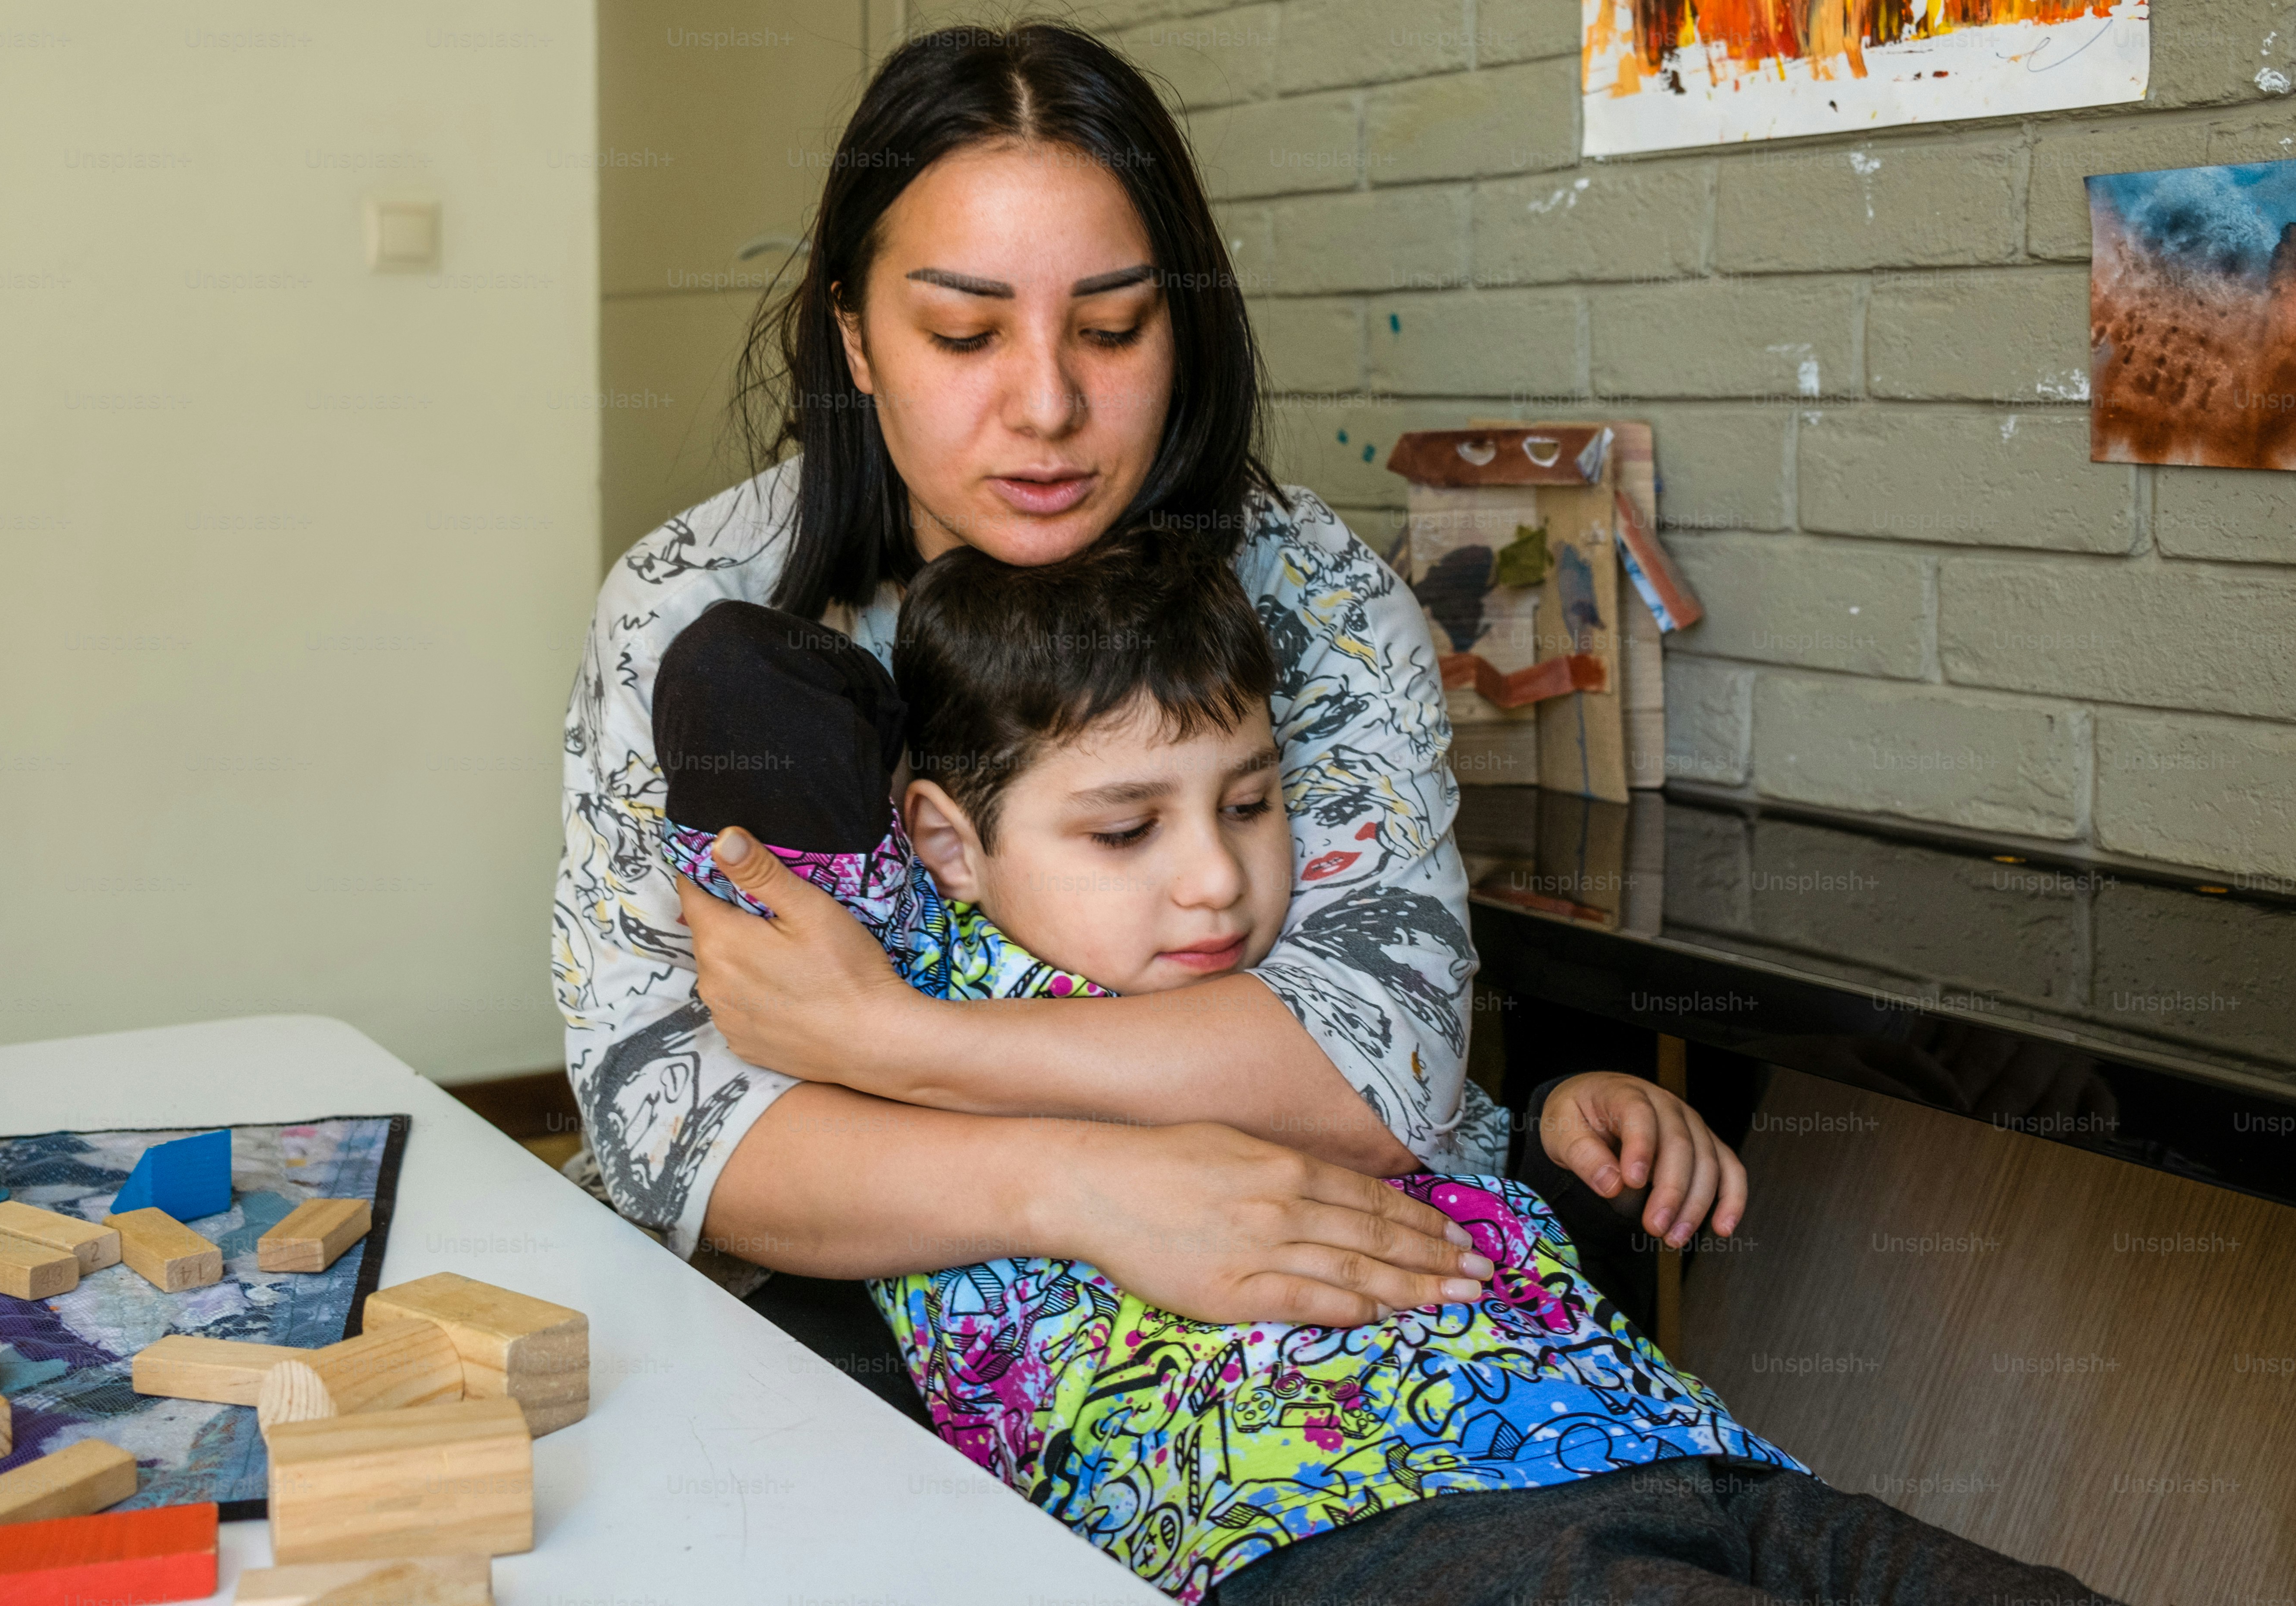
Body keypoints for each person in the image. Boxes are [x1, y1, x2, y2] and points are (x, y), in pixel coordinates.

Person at [648, 532, 2124, 1606]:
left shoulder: (1281, 991)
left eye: (1248, 803)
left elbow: (1434, 1136)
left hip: (1660, 1447)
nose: (1214, 883)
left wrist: (1561, 1124)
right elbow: (737, 714)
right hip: (1334, 1526)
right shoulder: (920, 958)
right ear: (946, 840)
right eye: (1124, 831)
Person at [552, 18, 1739, 1346]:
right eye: (962, 334)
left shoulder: (1319, 600)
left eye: (1111, 328)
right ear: (857, 340)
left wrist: (886, 1044)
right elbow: (664, 1119)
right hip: (843, 1318)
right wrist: (1089, 1187)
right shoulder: (692, 603)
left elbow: (1377, 1067)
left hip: (1275, 1333)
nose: (1047, 406)